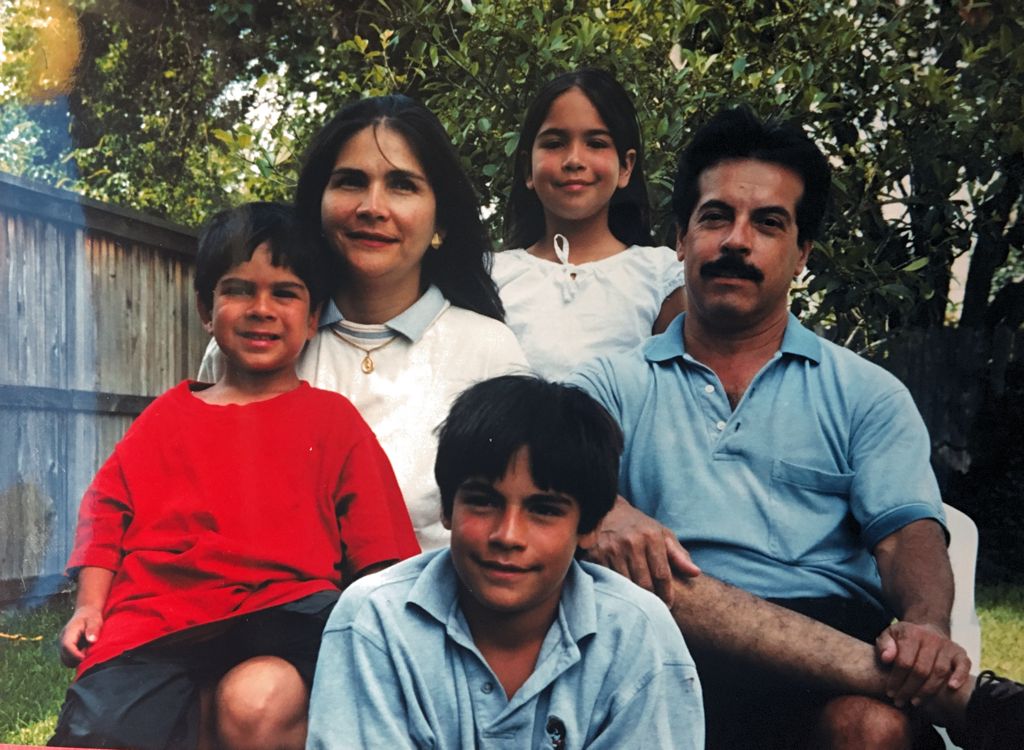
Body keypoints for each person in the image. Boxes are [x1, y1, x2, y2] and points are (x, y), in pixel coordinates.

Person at [570, 107, 1024, 749]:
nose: (736, 241)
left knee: (871, 727)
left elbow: (907, 537)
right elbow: (551, 484)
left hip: (830, 638)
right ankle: (967, 703)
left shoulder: (865, 393)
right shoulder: (610, 385)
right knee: (658, 579)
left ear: (802, 253)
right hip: (664, 645)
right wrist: (605, 509)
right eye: (715, 217)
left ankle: (911, 687)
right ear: (681, 240)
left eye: (768, 223)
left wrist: (926, 626)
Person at [50, 202, 420, 750]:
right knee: (100, 730)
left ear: (313, 317)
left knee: (329, 665)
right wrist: (89, 606)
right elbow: (106, 510)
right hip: (161, 620)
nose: (261, 309)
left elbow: (381, 551)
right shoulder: (166, 417)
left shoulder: (333, 420)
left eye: (285, 293)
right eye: (239, 290)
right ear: (207, 308)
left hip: (288, 611)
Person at [306, 375, 704, 749]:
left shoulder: (636, 633)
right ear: (447, 508)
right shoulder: (376, 618)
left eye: (544, 510)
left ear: (589, 527)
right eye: (483, 502)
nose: (508, 535)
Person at [200, 96, 528, 550]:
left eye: (402, 185)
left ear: (441, 220)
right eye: (351, 181)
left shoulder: (488, 352)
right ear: (317, 203)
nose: (373, 207)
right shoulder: (254, 340)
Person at [493, 69, 685, 380]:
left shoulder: (661, 278)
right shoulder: (494, 277)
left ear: (626, 167)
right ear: (528, 168)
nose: (574, 160)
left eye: (595, 143)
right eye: (555, 143)